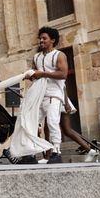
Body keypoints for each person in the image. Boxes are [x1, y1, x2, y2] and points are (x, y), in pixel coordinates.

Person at [26, 26, 68, 164]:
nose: (41, 41)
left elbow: (63, 74)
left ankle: (56, 152)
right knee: (30, 123)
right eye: (40, 38)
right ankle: (30, 153)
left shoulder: (59, 55)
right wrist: (30, 75)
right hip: (38, 95)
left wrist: (42, 73)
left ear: (52, 40)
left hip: (53, 94)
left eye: (44, 38)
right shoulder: (36, 57)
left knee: (52, 122)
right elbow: (34, 74)